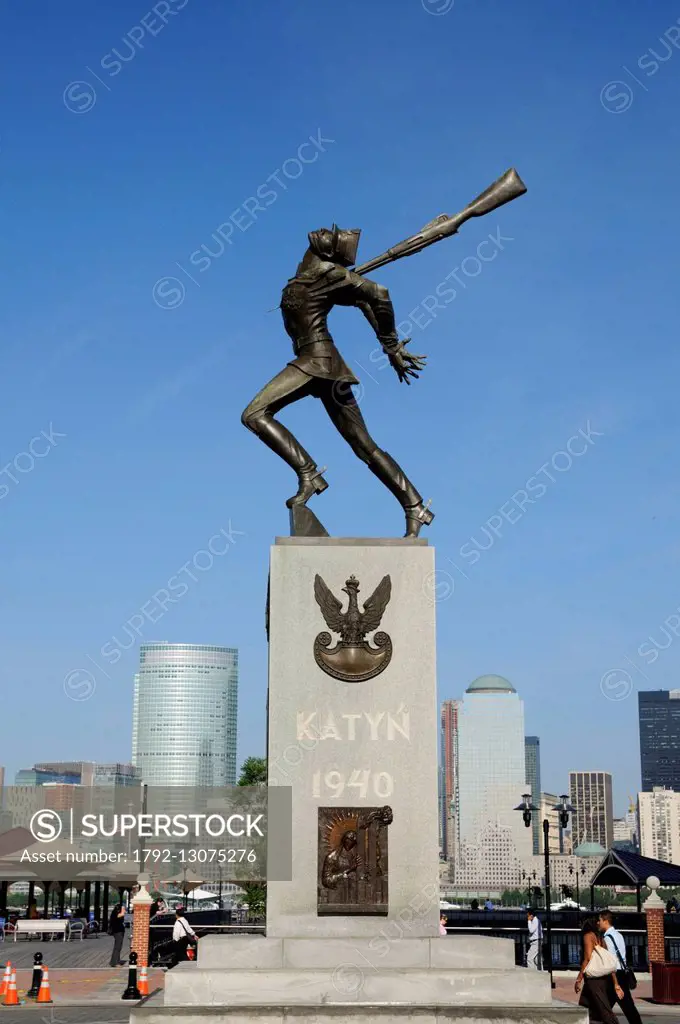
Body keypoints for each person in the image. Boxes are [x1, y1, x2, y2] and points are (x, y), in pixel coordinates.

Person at [241, 225, 434, 538]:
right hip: (323, 366)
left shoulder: (329, 274)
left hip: (316, 362)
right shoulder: (313, 276)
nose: (326, 232)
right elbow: (361, 301)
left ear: (328, 249)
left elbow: (378, 295)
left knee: (254, 414)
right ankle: (414, 505)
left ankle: (308, 472)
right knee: (363, 445)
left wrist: (391, 344)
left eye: (331, 235)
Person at [575, 917, 623, 1024]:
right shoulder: (601, 939)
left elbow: (587, 959)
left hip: (594, 981)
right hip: (600, 980)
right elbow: (609, 965)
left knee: (604, 1010)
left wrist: (579, 979)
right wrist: (615, 984)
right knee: (584, 1007)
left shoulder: (588, 936)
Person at [598, 911, 642, 1024]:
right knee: (614, 1005)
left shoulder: (607, 938)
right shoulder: (619, 935)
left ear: (606, 921)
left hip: (615, 975)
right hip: (622, 972)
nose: (599, 923)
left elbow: (610, 962)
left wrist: (615, 983)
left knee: (623, 1006)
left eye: (600, 920)